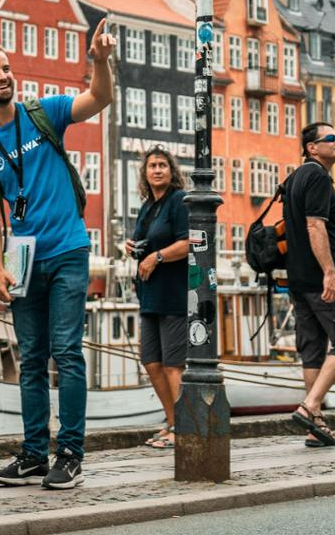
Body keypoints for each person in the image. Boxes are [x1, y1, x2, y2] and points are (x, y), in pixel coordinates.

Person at [0, 28, 114, 490]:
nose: (3, 76)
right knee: (30, 358)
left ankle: (70, 453)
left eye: (7, 68)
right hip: (22, 257)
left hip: (68, 247)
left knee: (66, 352)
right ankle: (33, 454)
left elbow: (99, 98)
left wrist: (100, 61)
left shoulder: (43, 112)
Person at [284, 123, 335, 447]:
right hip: (320, 279)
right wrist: (330, 273)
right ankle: (310, 406)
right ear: (312, 148)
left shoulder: (294, 178)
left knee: (312, 350)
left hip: (299, 280)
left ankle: (314, 426)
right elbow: (315, 226)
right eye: (331, 138)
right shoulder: (316, 176)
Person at [125, 147, 190, 450]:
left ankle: (183, 428)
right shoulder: (148, 206)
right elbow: (148, 242)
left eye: (163, 165)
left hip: (173, 293)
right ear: (145, 172)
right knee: (151, 361)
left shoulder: (179, 201)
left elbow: (189, 242)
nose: (157, 170)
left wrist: (157, 257)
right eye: (152, 166)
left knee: (173, 364)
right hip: (149, 294)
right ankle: (172, 421)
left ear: (171, 170)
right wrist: (135, 248)